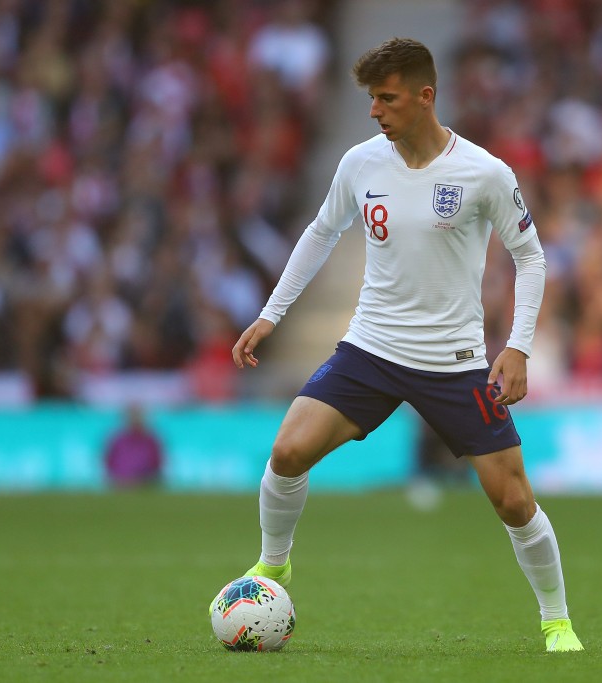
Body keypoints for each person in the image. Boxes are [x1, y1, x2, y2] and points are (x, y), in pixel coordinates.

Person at [227, 37, 583, 653]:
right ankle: (273, 566)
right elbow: (320, 232)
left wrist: (519, 346)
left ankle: (557, 622)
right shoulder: (360, 163)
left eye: (386, 99)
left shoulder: (484, 173)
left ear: (426, 96)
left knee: (513, 501)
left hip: (455, 363)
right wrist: (270, 314)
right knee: (287, 452)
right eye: (371, 99)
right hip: (371, 348)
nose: (374, 111)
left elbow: (530, 256)